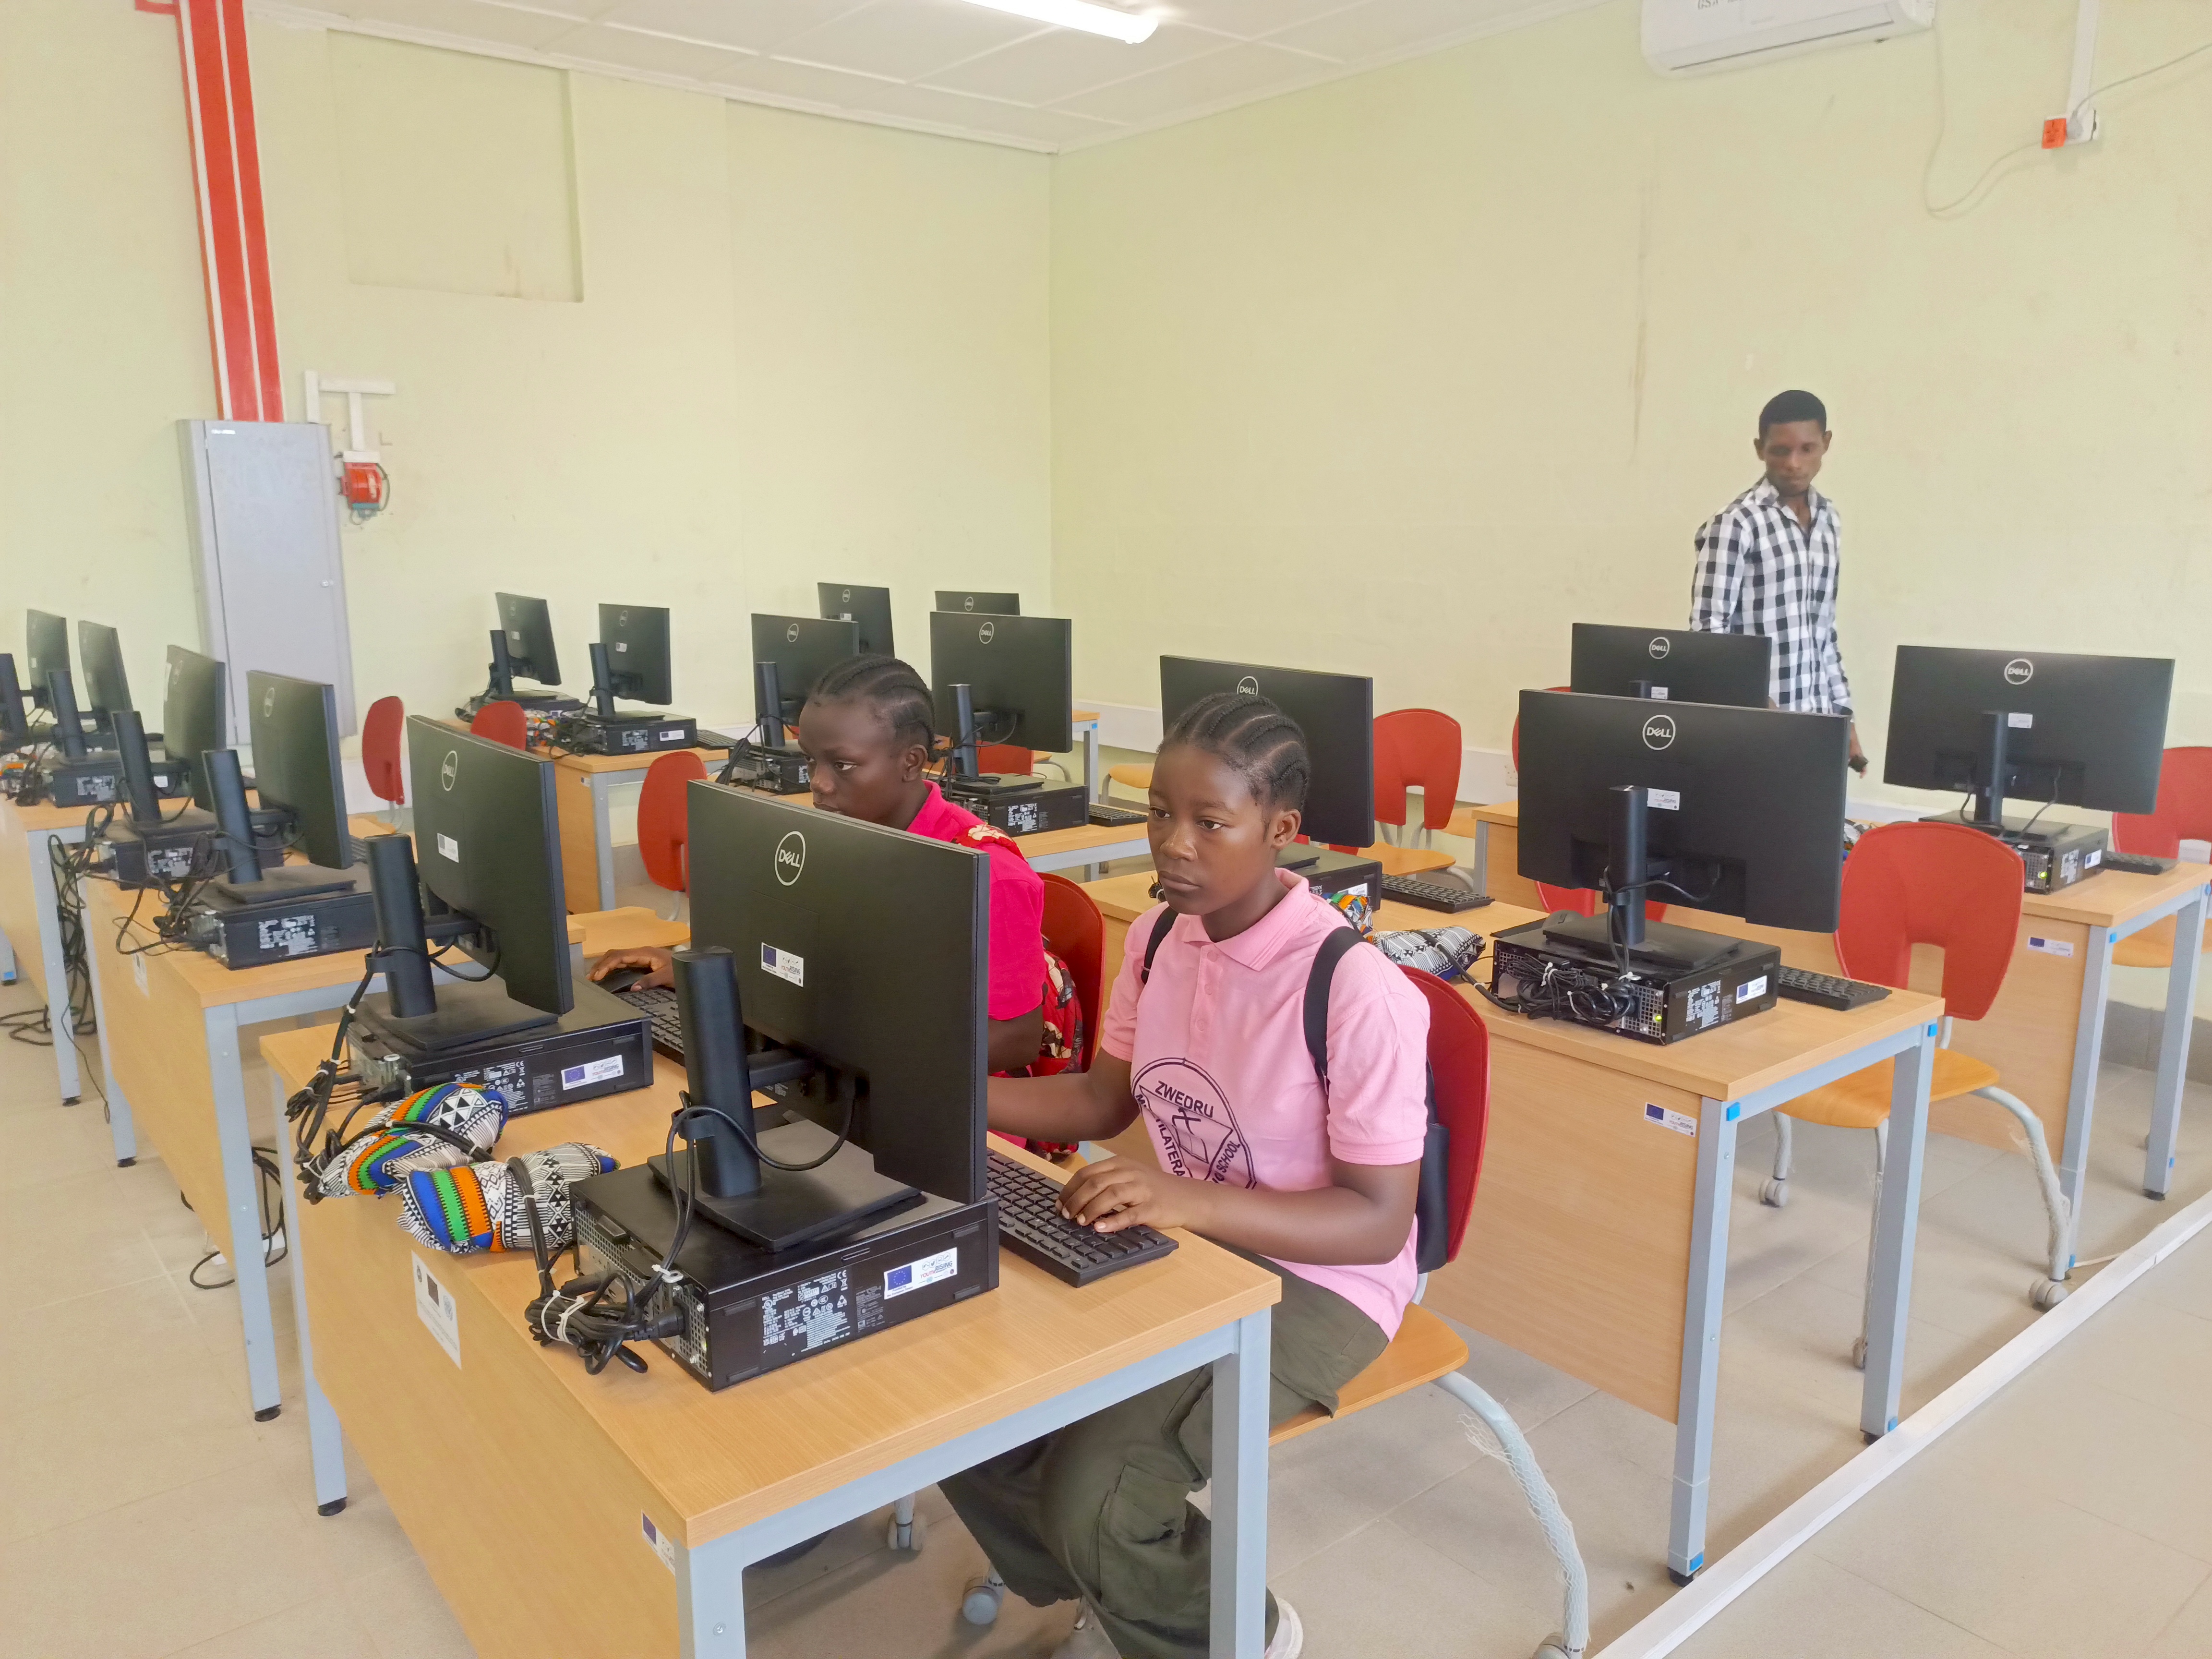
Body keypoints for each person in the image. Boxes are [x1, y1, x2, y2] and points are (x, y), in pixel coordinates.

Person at [944, 691, 1431, 1659]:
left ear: (1282, 832)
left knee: (1102, 1484)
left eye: (1211, 823)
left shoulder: (1351, 985)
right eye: (1162, 813)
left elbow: (1378, 1223)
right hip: (1195, 1238)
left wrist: (1185, 1200)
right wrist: (938, 1089)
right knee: (957, 1387)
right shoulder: (1163, 937)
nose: (1174, 844)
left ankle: (1234, 1636)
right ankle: (1112, 1578)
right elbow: (1098, 1106)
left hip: (1324, 1281)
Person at [588, 654, 1081, 1080]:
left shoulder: (985, 873)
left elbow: (1015, 1040)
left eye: (842, 765)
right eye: (811, 761)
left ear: (911, 762)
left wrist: (849, 1045)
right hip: (843, 1076)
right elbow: (800, 958)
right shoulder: (838, 835)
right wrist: (702, 970)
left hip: (956, 1104)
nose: (820, 785)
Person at [1689, 388, 1866, 773]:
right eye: (1780, 451)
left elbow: (1824, 630)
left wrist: (1845, 717)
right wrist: (1756, 703)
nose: (1794, 463)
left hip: (1817, 723)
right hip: (1756, 728)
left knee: (1815, 831)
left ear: (1827, 444)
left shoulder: (1829, 520)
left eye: (1807, 448)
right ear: (1759, 449)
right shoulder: (1736, 523)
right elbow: (1708, 631)